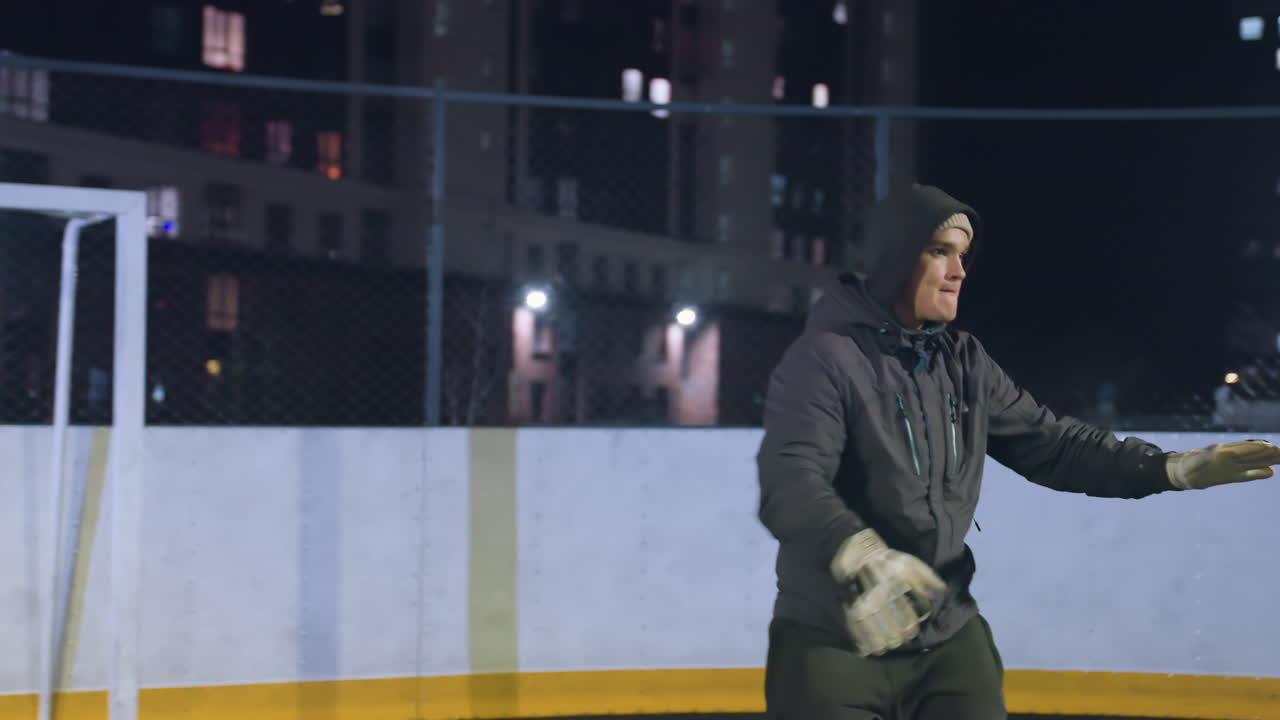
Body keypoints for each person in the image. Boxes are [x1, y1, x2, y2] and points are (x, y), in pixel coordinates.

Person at [754, 182, 1280, 719]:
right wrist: (860, 554)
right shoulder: (824, 360)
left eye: (963, 255)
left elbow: (1051, 445)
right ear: (894, 259)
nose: (959, 271)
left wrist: (1170, 468)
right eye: (940, 252)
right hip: (834, 637)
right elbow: (790, 477)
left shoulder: (963, 361)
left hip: (945, 629)